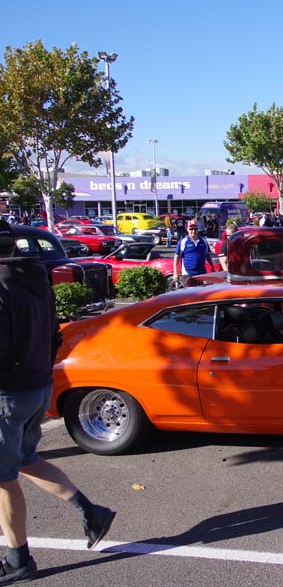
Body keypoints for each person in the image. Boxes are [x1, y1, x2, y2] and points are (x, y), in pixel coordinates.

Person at [0, 220, 116, 583]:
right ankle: (91, 511)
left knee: (3, 479)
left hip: (8, 393)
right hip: (36, 385)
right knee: (25, 459)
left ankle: (18, 559)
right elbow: (54, 335)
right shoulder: (33, 277)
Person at [173, 221, 216, 286]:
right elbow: (176, 257)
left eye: (195, 229)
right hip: (187, 274)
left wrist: (212, 267)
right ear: (187, 229)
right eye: (191, 229)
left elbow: (207, 255)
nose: (193, 231)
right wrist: (175, 273)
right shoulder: (183, 242)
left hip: (202, 273)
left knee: (201, 291)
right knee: (190, 292)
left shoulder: (203, 241)